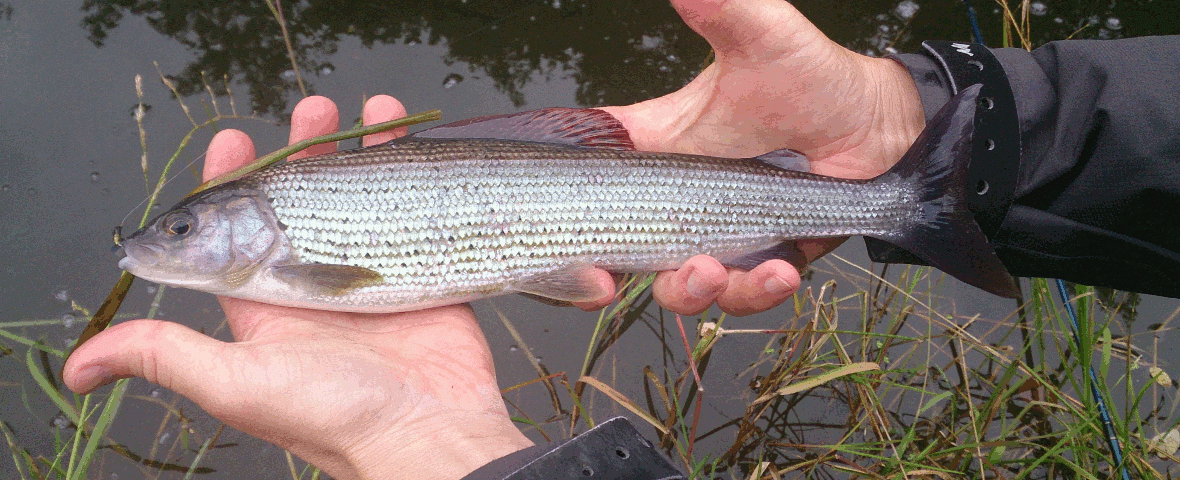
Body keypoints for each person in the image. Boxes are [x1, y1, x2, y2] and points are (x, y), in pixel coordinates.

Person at [62, 0, 1179, 478]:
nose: (165, 239)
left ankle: (907, 198)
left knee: (857, 201)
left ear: (246, 224)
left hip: (666, 203)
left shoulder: (300, 248)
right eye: (179, 229)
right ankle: (910, 195)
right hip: (635, 207)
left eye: (184, 228)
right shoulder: (293, 226)